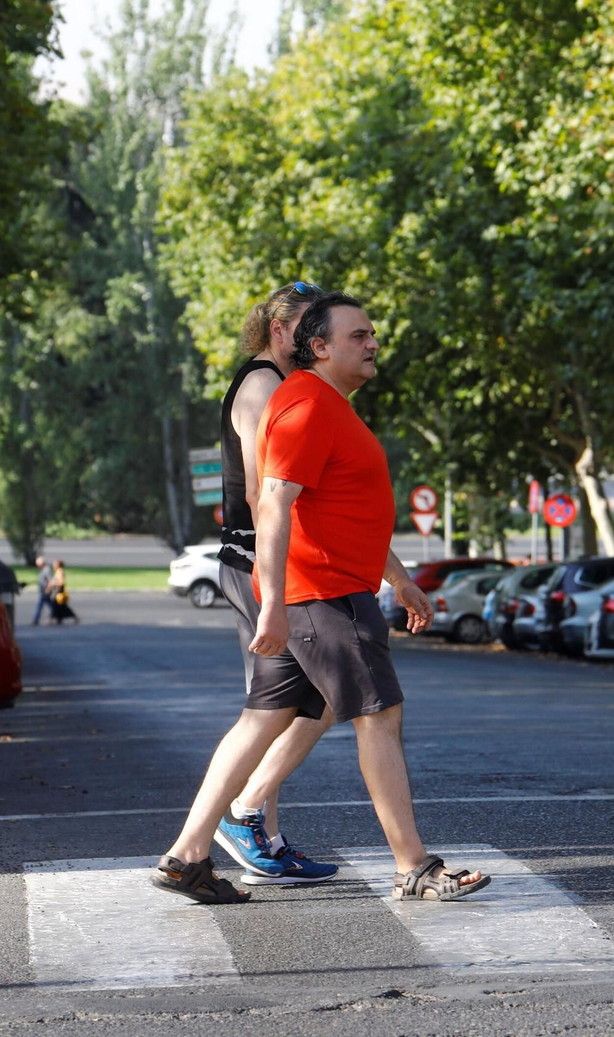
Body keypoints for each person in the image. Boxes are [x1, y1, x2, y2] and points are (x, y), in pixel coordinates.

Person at [154, 292, 490, 905]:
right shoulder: (307, 405)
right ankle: (414, 865)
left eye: (372, 333)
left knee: (262, 720)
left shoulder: (328, 406)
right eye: (358, 335)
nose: (373, 343)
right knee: (379, 716)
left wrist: (399, 578)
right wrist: (274, 602)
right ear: (319, 347)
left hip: (318, 590)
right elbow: (272, 502)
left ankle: (186, 856)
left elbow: (344, 513)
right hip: (325, 594)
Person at [210, 282, 338, 887]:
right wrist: (279, 584)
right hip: (257, 563)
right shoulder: (262, 385)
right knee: (287, 702)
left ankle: (261, 830)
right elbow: (266, 493)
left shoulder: (285, 384)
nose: (317, 339)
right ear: (278, 329)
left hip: (268, 563)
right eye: (307, 328)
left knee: (290, 702)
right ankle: (246, 820)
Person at [48, 559, 79, 625]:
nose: (53, 565)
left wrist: (53, 583)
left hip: (59, 592)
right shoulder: (57, 571)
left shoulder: (60, 572)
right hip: (57, 591)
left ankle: (51, 619)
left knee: (57, 606)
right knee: (61, 607)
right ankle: (59, 619)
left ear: (58, 565)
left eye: (54, 564)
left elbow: (61, 582)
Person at [32, 556, 54, 625]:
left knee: (40, 605)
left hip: (45, 591)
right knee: (52, 606)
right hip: (43, 591)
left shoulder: (47, 570)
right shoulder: (43, 570)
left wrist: (48, 589)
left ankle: (35, 620)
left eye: (38, 564)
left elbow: (50, 580)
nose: (37, 566)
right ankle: (56, 615)